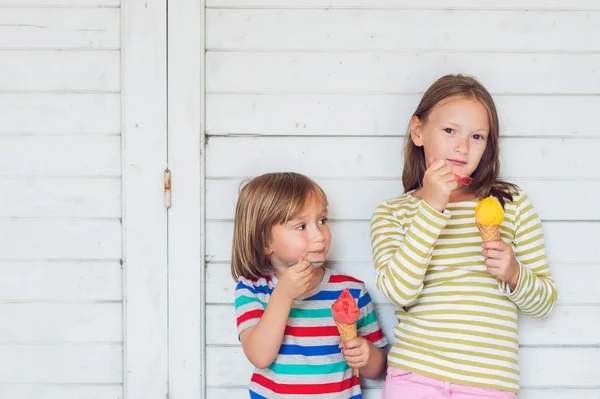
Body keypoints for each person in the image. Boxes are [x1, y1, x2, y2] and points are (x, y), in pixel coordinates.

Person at [370, 74, 557, 398]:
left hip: (488, 384)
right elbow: (400, 292)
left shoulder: (510, 204)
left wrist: (514, 274)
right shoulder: (392, 213)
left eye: (477, 136)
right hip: (415, 376)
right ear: (418, 131)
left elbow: (544, 303)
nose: (462, 146)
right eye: (449, 130)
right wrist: (431, 207)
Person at [232, 172, 387, 398]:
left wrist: (369, 355)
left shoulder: (351, 291)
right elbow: (259, 356)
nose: (319, 236)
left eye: (322, 221)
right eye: (301, 226)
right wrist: (283, 295)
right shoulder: (254, 289)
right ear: (265, 242)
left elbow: (377, 370)